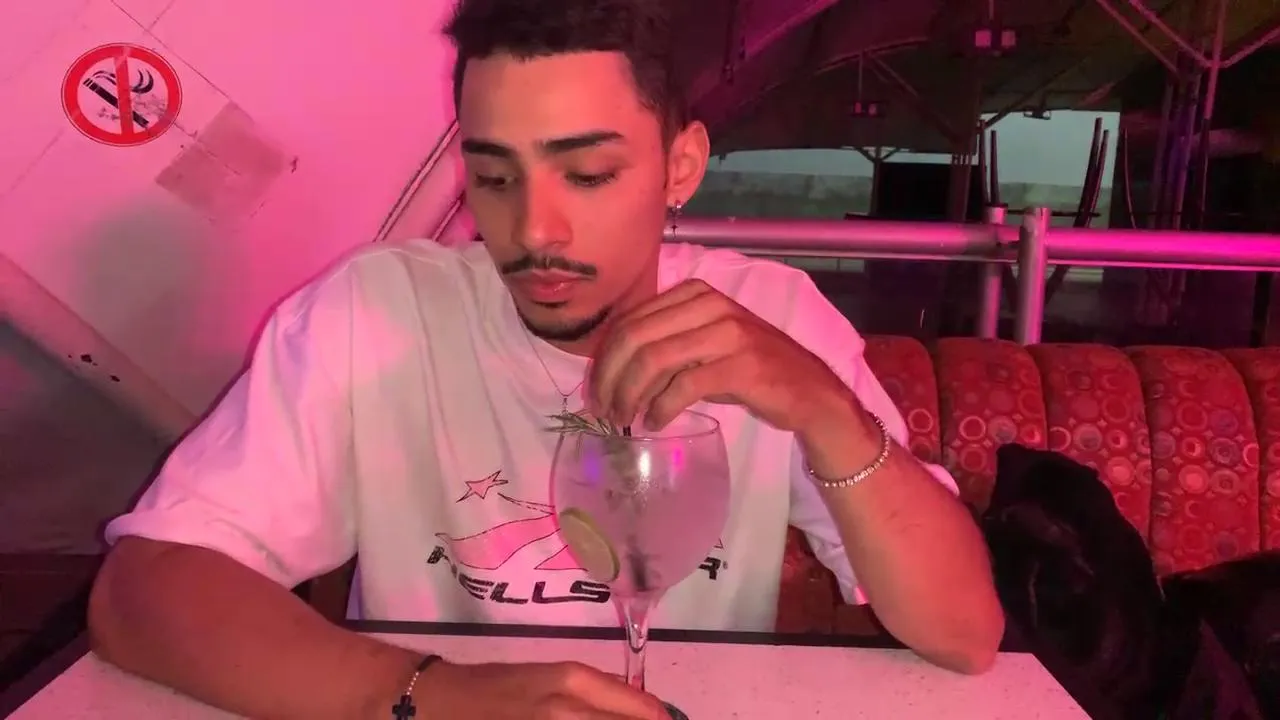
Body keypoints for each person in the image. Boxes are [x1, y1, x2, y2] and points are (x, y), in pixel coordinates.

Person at [87, 0, 1004, 718]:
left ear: (681, 166)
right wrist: (433, 697)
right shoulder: (376, 313)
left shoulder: (775, 316)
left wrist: (825, 412)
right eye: (494, 176)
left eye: (588, 174)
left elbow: (964, 633)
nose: (534, 231)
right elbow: (141, 594)